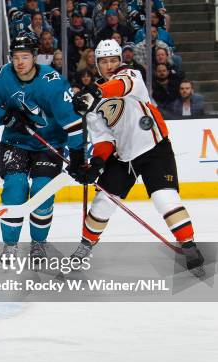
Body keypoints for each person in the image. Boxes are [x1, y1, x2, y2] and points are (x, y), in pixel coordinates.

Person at [69, 40, 204, 276]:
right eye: (104, 61)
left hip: (155, 149)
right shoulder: (92, 103)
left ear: (119, 60)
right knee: (103, 203)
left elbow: (122, 86)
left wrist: (94, 93)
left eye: (113, 60)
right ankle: (85, 246)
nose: (110, 65)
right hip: (123, 157)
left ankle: (189, 245)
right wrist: (97, 163)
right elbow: (103, 140)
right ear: (97, 65)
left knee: (165, 198)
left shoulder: (131, 74)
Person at [0, 32, 84, 260]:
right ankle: (10, 245)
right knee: (15, 189)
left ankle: (38, 243)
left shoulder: (52, 81)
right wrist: (7, 117)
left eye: (24, 56)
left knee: (42, 192)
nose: (19, 62)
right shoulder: (0, 76)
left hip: (49, 144)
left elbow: (73, 123)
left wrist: (77, 155)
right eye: (15, 57)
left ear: (34, 57)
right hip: (14, 142)